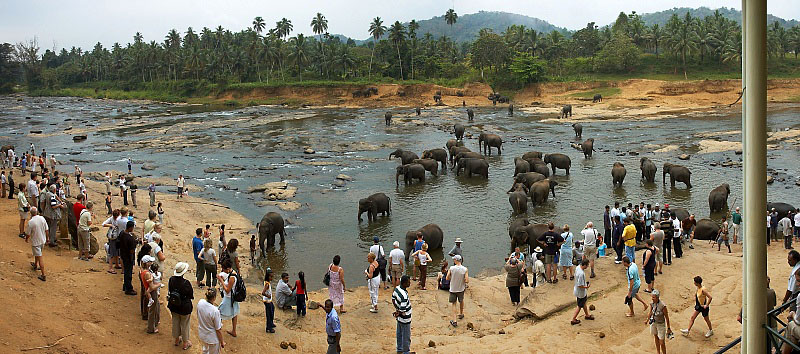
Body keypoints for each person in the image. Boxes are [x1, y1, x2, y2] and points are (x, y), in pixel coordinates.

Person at [168, 262, 194, 350]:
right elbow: (191, 295)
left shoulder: (171, 280)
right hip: (184, 307)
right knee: (185, 324)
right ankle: (185, 342)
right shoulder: (186, 283)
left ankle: (176, 339)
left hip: (174, 305)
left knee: (175, 322)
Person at [197, 288, 225, 354]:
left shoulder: (200, 302)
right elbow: (218, 329)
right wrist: (222, 342)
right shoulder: (215, 311)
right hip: (212, 338)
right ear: (214, 298)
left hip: (202, 334)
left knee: (205, 350)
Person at [24, 207, 48, 281]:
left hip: (36, 241)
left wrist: (26, 239)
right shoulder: (42, 218)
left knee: (39, 256)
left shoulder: (31, 222)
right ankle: (35, 264)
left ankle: (43, 274)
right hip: (42, 240)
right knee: (38, 254)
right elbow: (46, 229)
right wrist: (47, 238)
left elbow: (28, 233)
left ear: (30, 213)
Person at [217, 258, 239, 337]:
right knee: (234, 313)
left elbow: (227, 290)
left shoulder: (232, 277)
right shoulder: (234, 273)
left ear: (228, 268)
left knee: (219, 313)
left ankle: (217, 330)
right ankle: (234, 330)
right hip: (233, 298)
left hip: (228, 298)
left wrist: (221, 281)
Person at [647, 290, 673, 354]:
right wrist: (647, 319)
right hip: (654, 323)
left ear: (657, 297)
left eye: (654, 297)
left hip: (661, 324)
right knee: (655, 336)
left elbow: (666, 317)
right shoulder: (652, 303)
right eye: (652, 297)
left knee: (661, 342)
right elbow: (650, 312)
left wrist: (669, 328)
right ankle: (658, 352)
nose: (652, 299)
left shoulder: (662, 306)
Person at [392, 275, 413, 354]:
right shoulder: (404, 295)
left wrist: (396, 309)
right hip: (405, 319)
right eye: (408, 282)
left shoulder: (397, 288)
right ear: (404, 283)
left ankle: (399, 349)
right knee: (406, 336)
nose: (409, 283)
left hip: (399, 319)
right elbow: (403, 310)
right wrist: (399, 312)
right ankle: (406, 352)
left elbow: (393, 299)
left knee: (399, 334)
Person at [447, 255, 468, 327]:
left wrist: (452, 279)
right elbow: (467, 280)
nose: (453, 261)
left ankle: (455, 320)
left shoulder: (452, 268)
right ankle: (461, 313)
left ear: (456, 260)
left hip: (453, 289)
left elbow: (447, 278)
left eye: (454, 260)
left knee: (453, 304)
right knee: (461, 300)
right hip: (461, 289)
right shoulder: (465, 269)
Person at [571, 259, 594, 325]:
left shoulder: (578, 267)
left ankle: (587, 315)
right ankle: (573, 319)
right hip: (580, 292)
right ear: (585, 265)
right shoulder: (581, 274)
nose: (587, 267)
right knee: (579, 306)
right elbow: (580, 285)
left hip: (579, 291)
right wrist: (586, 287)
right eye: (587, 265)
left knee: (583, 303)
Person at [119, 220, 138, 295]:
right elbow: (132, 250)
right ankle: (128, 288)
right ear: (130, 228)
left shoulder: (122, 233)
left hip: (123, 255)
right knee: (128, 273)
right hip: (128, 257)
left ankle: (125, 285)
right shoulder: (130, 238)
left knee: (126, 271)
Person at [262, 269, 276, 333]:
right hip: (267, 301)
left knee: (272, 309)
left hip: (269, 301)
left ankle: (271, 323)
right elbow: (263, 292)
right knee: (269, 314)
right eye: (271, 277)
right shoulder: (267, 284)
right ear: (268, 277)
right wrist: (268, 296)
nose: (272, 278)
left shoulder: (267, 282)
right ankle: (269, 328)